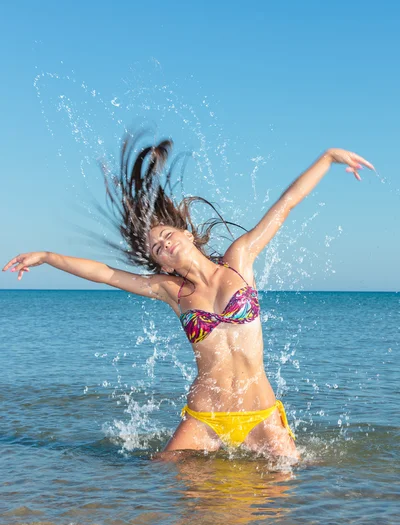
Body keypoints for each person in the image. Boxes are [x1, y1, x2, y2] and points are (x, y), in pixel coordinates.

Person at [3, 133, 374, 460]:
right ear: (157, 262)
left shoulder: (239, 260)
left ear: (186, 233)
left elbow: (286, 204)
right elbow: (105, 274)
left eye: (166, 236)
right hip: (204, 417)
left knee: (279, 509)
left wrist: (327, 158)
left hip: (260, 415)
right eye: (156, 249)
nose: (164, 245)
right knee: (165, 485)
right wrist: (48, 257)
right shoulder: (171, 291)